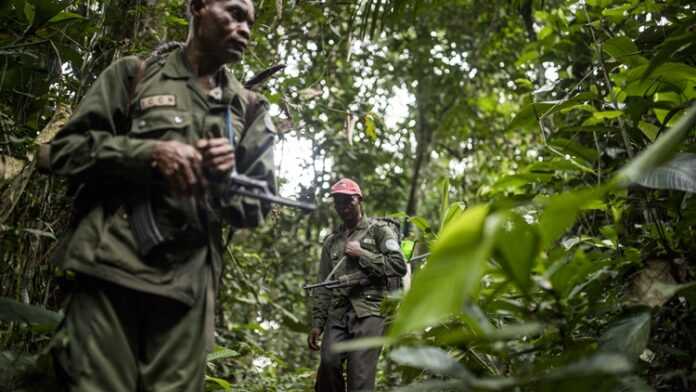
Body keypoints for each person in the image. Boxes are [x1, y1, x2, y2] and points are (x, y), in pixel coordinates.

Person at [38, 0, 275, 390]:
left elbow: (257, 206)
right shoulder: (135, 75)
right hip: (109, 270)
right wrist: (148, 154)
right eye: (234, 13)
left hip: (187, 290)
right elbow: (63, 152)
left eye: (250, 20)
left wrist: (223, 176)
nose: (245, 28)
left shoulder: (248, 109)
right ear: (198, 7)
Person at [308, 178, 407, 392]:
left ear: (359, 200)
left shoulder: (379, 231)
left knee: (359, 376)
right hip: (338, 311)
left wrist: (362, 253)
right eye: (338, 202)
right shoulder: (331, 241)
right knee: (328, 364)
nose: (343, 207)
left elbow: (398, 266)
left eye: (348, 201)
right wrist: (317, 323)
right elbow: (324, 285)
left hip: (370, 311)